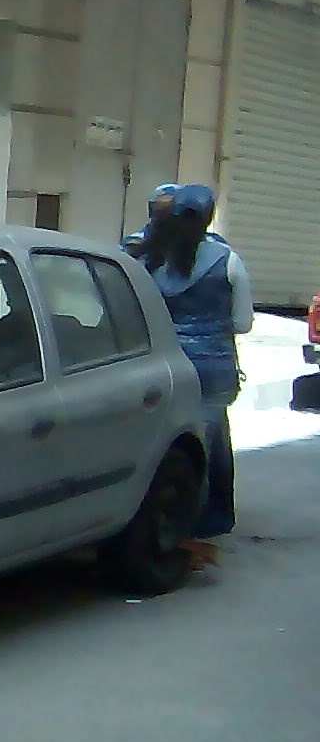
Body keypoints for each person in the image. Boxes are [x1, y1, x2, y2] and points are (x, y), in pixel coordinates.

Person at [135, 182, 253, 556]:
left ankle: (172, 513)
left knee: (169, 439)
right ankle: (215, 514)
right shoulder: (227, 260)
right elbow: (243, 323)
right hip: (213, 365)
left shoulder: (149, 256)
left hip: (166, 362)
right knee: (214, 440)